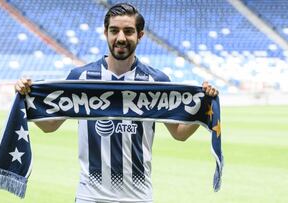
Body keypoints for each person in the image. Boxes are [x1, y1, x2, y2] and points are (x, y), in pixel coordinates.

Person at [15, 3, 218, 203]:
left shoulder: (157, 81)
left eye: (128, 31)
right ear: (106, 33)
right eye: (114, 30)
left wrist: (204, 106)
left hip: (138, 197)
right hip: (90, 196)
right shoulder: (81, 77)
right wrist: (25, 96)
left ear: (140, 35)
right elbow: (50, 126)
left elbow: (179, 133)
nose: (121, 38)